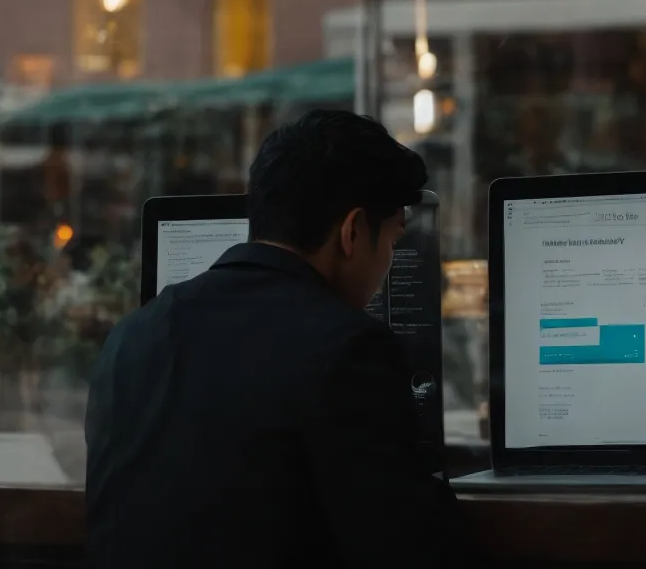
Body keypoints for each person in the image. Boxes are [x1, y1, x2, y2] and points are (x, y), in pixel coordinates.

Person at [86, 111, 471, 567]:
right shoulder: (348, 349)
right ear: (351, 233)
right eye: (390, 242)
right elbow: (410, 544)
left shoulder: (133, 335)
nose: (387, 263)